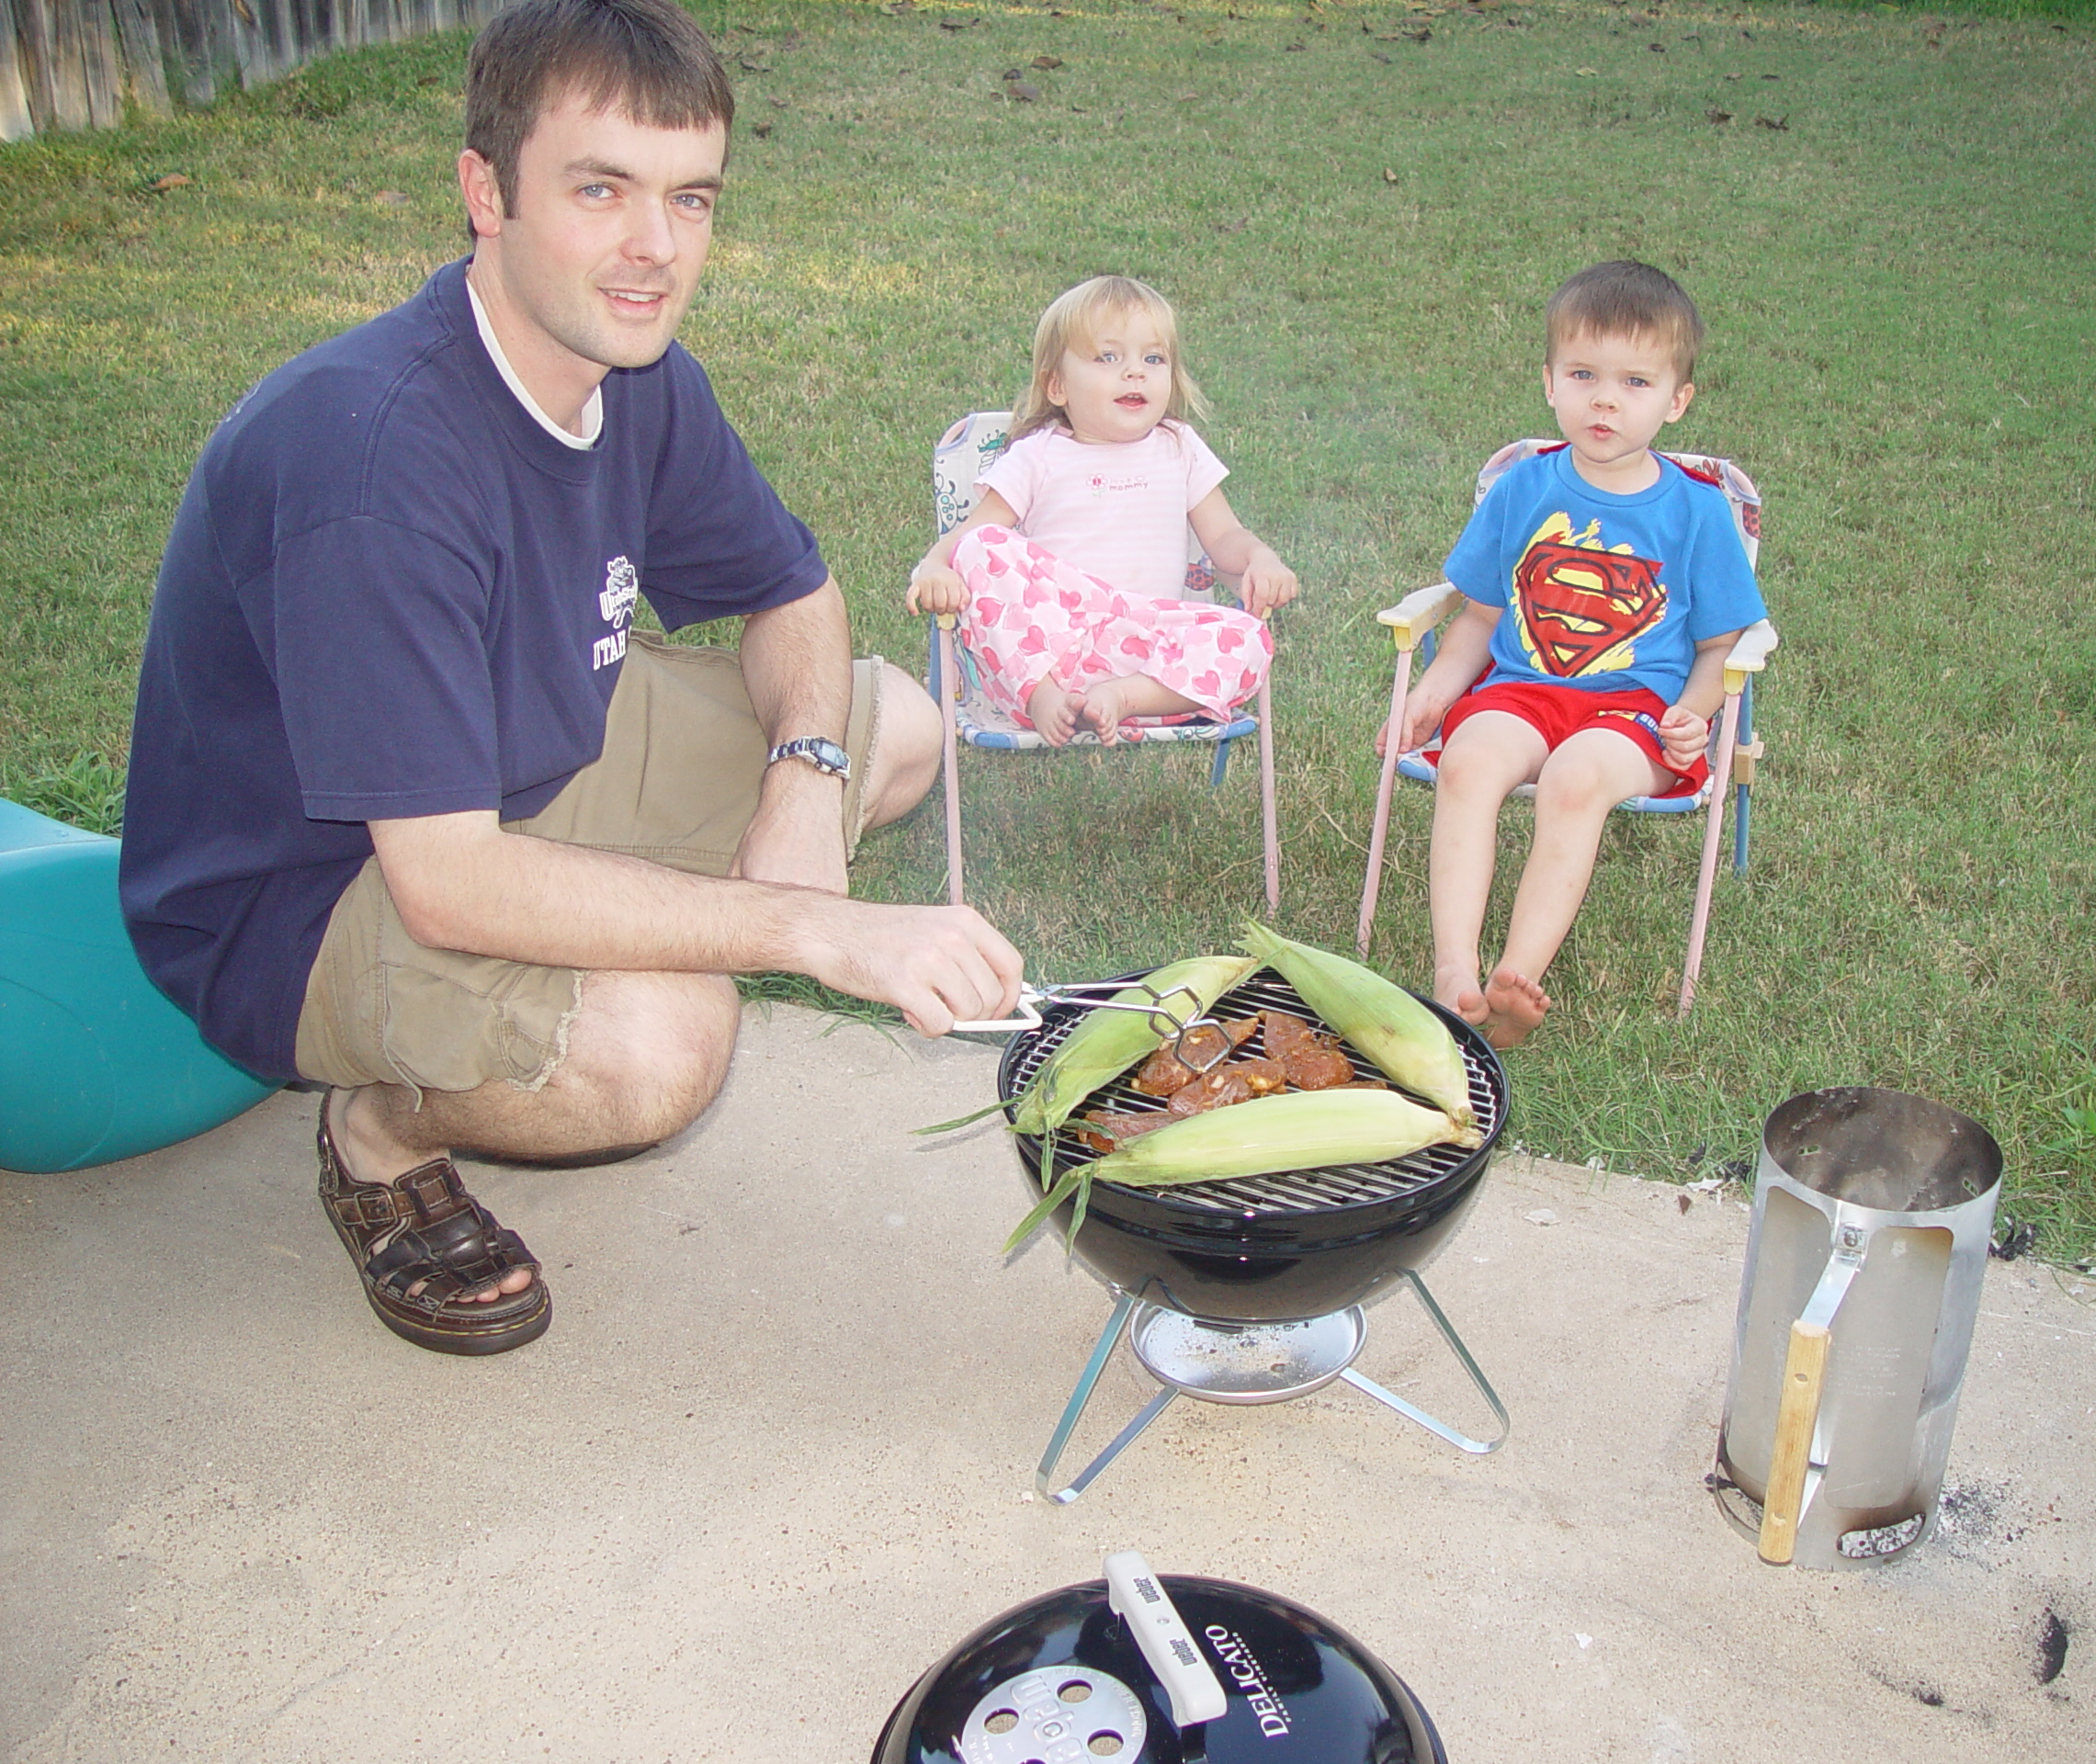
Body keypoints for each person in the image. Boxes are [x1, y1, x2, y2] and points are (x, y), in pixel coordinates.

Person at [118, 0, 1025, 1357]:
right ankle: (376, 1127)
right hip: (306, 893)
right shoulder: (374, 466)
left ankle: (590, 947)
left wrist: (800, 785)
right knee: (662, 1046)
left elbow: (795, 596)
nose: (654, 249)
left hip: (518, 767)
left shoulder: (630, 367)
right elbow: (449, 881)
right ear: (487, 193)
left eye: (690, 198)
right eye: (600, 190)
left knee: (889, 723)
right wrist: (808, 929)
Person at [1377, 261, 1767, 1049]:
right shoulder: (1524, 489)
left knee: (1575, 778)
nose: (1605, 399)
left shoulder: (1698, 512)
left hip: (1636, 714)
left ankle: (1516, 981)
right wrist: (1435, 691)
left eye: (1634, 381)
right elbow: (1480, 615)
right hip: (1522, 691)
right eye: (1583, 374)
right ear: (1549, 381)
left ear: (1676, 399)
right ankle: (1454, 971)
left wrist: (1693, 715)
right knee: (1467, 762)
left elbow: (1721, 643)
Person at [903, 277, 1297, 745]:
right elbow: (970, 537)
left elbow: (1226, 538)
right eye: (1108, 358)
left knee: (1250, 638)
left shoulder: (1179, 448)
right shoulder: (1038, 455)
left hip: (1151, 646)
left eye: (1153, 358)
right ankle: (1043, 698)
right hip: (1045, 645)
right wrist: (933, 566)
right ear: (1056, 385)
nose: (1135, 373)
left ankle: (1121, 698)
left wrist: (1260, 559)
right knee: (982, 548)